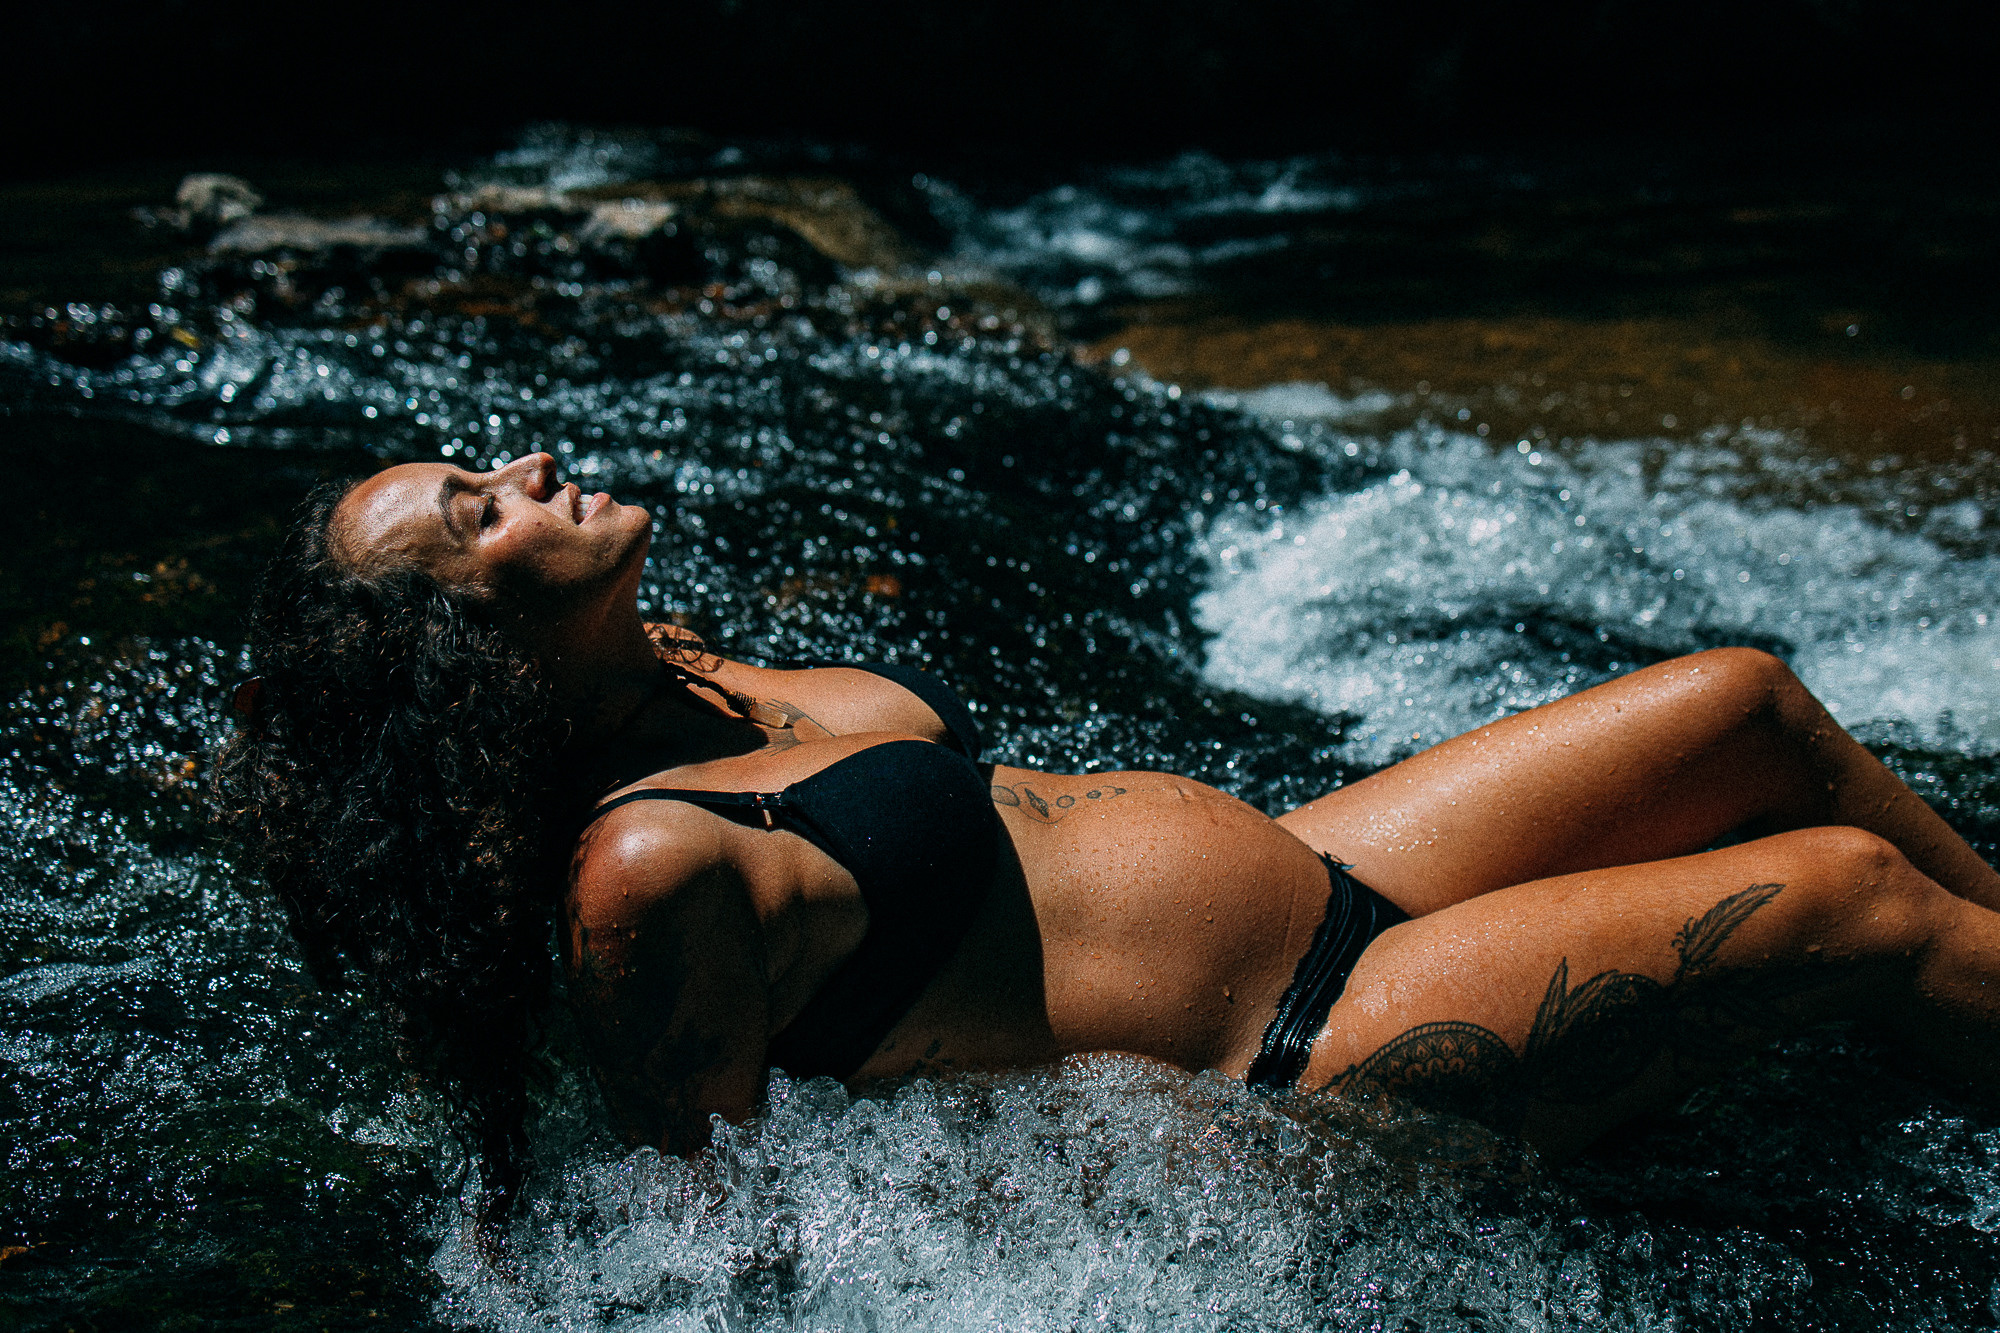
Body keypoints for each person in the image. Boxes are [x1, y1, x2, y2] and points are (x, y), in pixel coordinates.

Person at [213, 452, 2000, 1204]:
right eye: (478, 512)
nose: (524, 472)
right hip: (1300, 1056)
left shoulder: (682, 671)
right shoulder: (640, 873)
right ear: (474, 653)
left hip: (1329, 875)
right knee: (1844, 902)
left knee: (1742, 701)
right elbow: (712, 1242)